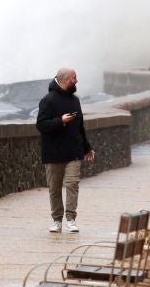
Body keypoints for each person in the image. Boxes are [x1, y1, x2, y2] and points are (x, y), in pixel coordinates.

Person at [36, 68, 95, 234]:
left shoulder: (75, 100)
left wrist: (87, 147)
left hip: (74, 152)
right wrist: (60, 121)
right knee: (54, 188)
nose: (77, 81)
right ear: (64, 80)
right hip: (53, 153)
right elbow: (41, 124)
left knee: (72, 184)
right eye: (74, 78)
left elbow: (80, 126)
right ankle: (57, 220)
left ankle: (71, 219)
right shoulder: (48, 100)